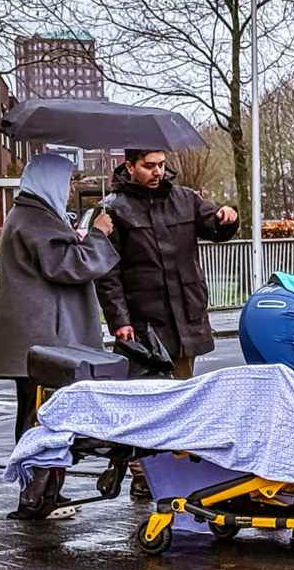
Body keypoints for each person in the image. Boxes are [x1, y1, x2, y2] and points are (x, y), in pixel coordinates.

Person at [95, 149, 238, 498]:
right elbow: (108, 272)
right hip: (144, 321)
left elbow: (216, 229)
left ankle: (171, 472)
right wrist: (120, 320)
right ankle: (143, 473)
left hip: (184, 316)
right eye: (149, 166)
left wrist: (227, 217)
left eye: (161, 164)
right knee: (146, 403)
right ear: (130, 167)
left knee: (181, 399)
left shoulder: (185, 199)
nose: (157, 171)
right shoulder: (113, 209)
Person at [0, 153, 119, 441]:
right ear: (50, 181)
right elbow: (67, 265)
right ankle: (37, 481)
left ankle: (40, 481)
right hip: (44, 340)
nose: (71, 189)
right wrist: (98, 235)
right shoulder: (35, 217)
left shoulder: (32, 214)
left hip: (36, 338)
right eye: (67, 181)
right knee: (41, 418)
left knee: (37, 414)